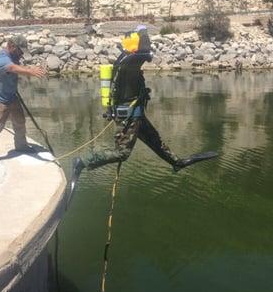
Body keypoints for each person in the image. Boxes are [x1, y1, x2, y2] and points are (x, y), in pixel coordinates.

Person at [68, 25, 217, 194]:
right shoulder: (131, 62)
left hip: (135, 115)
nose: (147, 54)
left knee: (155, 140)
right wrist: (143, 32)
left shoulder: (125, 58)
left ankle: (176, 163)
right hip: (128, 117)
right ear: (137, 47)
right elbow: (145, 51)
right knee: (122, 152)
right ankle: (82, 161)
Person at [0, 34, 46, 166]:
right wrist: (31, 71)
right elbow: (12, 68)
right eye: (20, 50)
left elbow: (14, 69)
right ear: (12, 46)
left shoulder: (14, 56)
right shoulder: (2, 59)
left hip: (12, 96)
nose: (21, 54)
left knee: (19, 121)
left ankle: (21, 146)